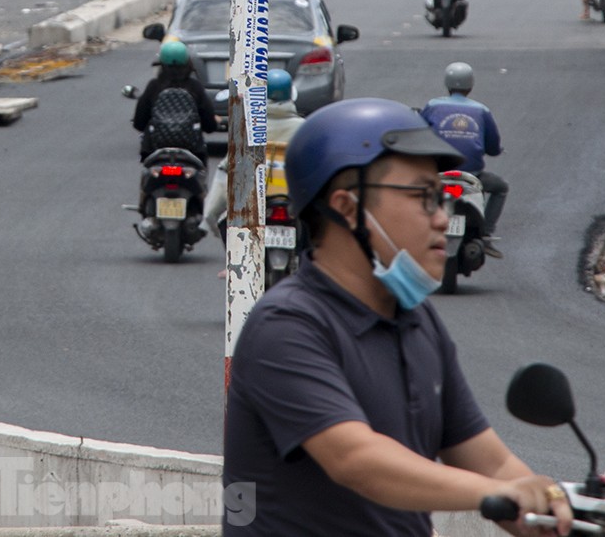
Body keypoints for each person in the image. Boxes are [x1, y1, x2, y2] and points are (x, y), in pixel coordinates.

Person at [224, 99, 574, 537]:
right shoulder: (288, 324)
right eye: (423, 197)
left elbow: (491, 460)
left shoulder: (417, 320)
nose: (443, 219)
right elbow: (357, 459)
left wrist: (548, 503)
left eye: (443, 198)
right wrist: (491, 496)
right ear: (347, 208)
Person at [418, 62, 507, 255]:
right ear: (471, 85)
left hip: (438, 174)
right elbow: (492, 148)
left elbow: (419, 136)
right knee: (500, 188)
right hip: (471, 175)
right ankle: (486, 234)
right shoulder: (482, 110)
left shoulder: (433, 106)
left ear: (447, 84)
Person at [205, 68, 305, 238]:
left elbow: (227, 169)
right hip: (293, 202)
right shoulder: (304, 129)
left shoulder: (248, 127)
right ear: (290, 95)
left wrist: (212, 215)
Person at [132, 39, 216, 164]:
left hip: (155, 150)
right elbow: (209, 125)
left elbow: (139, 122)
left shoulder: (154, 86)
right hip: (193, 151)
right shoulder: (195, 87)